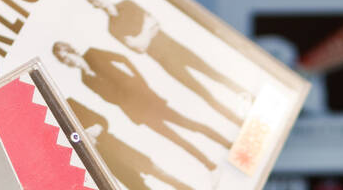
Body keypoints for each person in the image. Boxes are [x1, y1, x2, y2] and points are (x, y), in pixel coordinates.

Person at [83, 0, 250, 125]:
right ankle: (237, 122)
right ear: (93, 5)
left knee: (214, 74)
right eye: (92, 0)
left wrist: (141, 36)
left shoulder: (128, 4)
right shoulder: (112, 28)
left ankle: (252, 98)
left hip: (176, 47)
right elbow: (138, 48)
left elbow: (154, 22)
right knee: (203, 93)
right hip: (165, 61)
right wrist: (145, 31)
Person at [52, 41, 230, 170]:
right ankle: (209, 165)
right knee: (176, 140)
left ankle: (227, 143)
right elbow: (110, 99)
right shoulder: (85, 80)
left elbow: (122, 59)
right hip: (136, 112)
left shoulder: (92, 53)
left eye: (67, 55)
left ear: (72, 50)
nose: (69, 61)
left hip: (147, 100)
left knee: (189, 124)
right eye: (64, 60)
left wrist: (140, 82)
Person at [67, 97, 220, 190]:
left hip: (127, 154)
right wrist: (82, 142)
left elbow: (102, 120)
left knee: (169, 179)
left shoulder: (70, 103)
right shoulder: (60, 128)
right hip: (115, 169)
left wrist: (96, 128)